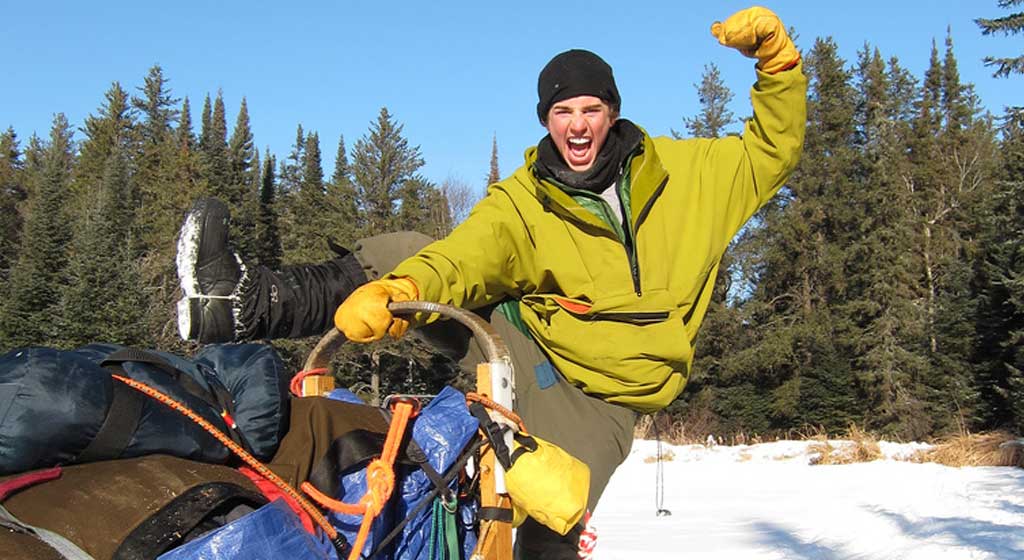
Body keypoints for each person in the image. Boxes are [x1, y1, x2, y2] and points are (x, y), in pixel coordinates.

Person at [176, 6, 806, 558]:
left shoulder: (691, 178)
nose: (578, 125)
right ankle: (244, 303)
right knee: (409, 254)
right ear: (547, 120)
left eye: (591, 109)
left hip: (610, 402)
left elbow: (771, 151)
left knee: (555, 509)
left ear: (613, 113)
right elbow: (466, 258)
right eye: (562, 111)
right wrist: (404, 289)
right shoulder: (525, 201)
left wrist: (777, 68)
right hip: (529, 350)